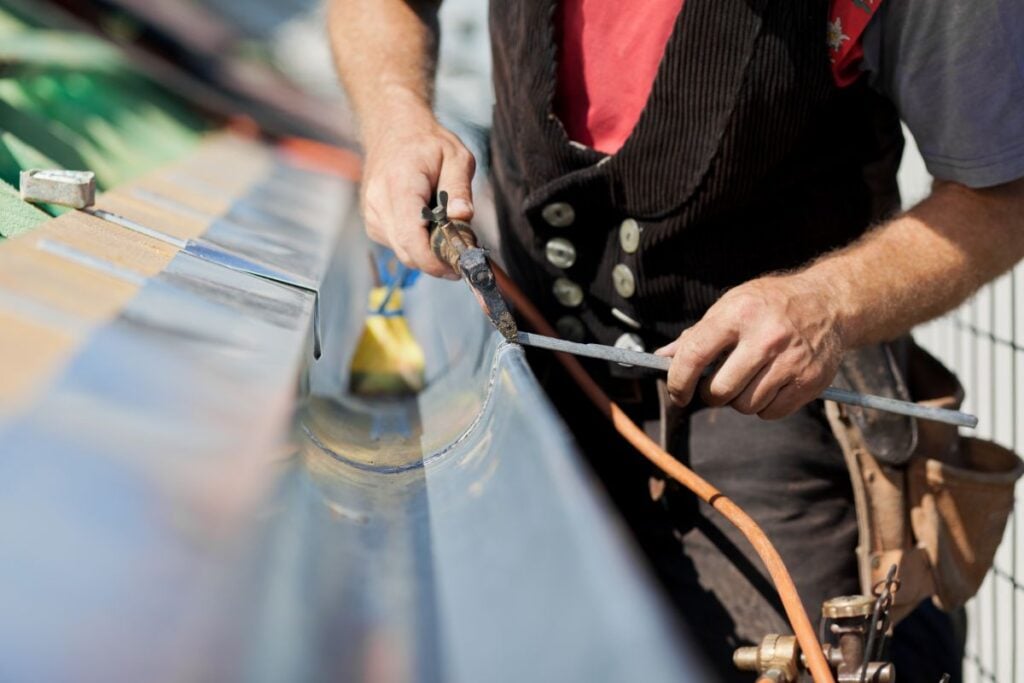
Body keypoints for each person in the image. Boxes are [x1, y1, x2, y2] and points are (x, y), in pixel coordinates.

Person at [328, 1, 1024, 680]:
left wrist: (829, 303)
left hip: (771, 410)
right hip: (534, 391)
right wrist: (395, 118)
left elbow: (1001, 198)